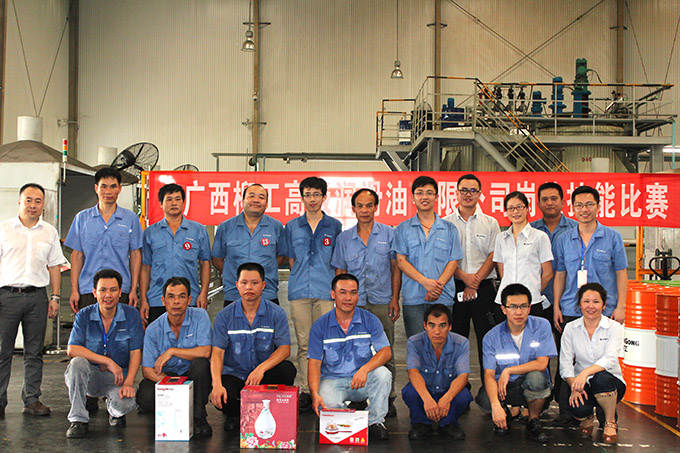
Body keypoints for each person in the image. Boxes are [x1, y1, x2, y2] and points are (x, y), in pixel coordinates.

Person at [332, 187, 402, 417]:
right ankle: (358, 396)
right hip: (353, 304)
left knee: (385, 349)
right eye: (360, 206)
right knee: (353, 350)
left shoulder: (389, 234)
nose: (364, 210)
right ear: (353, 209)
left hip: (382, 301)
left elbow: (395, 268)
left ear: (376, 207)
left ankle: (388, 397)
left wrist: (395, 298)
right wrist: (341, 303)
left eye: (369, 205)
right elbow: (340, 272)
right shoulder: (344, 238)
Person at [0, 183, 66, 418]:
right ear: (19, 202)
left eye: (38, 201)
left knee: (34, 351)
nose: (33, 205)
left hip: (37, 297)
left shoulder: (49, 232)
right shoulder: (4, 229)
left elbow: (55, 266)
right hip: (6, 296)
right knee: (2, 351)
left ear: (43, 205)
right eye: (28, 200)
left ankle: (32, 399)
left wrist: (55, 297)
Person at [210, 262, 296, 433]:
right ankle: (235, 415)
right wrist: (216, 384)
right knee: (225, 391)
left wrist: (260, 369)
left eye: (254, 283)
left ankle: (265, 410)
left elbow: (284, 349)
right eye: (244, 283)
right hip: (235, 375)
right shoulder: (224, 316)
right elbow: (217, 353)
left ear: (263, 285)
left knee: (287, 370)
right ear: (237, 285)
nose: (249, 287)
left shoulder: (276, 313)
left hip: (262, 376)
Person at [307, 273, 392, 441]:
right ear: (333, 294)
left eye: (353, 293)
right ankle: (342, 421)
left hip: (362, 379)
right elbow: (314, 364)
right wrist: (314, 394)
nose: (348, 298)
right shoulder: (320, 326)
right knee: (325, 397)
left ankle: (375, 422)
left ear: (358, 295)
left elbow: (386, 352)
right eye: (343, 292)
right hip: (333, 381)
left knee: (383, 375)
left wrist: (365, 369)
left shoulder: (370, 320)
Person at [283, 177, 342, 413]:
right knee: (304, 343)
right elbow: (291, 259)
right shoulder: (292, 226)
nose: (312, 199)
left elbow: (337, 260)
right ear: (302, 197)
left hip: (325, 291)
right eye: (307, 195)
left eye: (316, 194)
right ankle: (306, 390)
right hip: (299, 291)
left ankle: (324, 388)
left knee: (325, 342)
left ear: (324, 197)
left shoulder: (334, 226)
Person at [64, 269, 144, 438]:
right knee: (77, 363)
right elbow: (72, 349)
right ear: (94, 292)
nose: (108, 295)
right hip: (91, 376)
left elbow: (136, 352)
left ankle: (114, 410)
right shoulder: (84, 315)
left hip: (118, 378)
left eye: (113, 290)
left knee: (124, 405)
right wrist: (108, 361)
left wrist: (129, 383)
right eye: (103, 290)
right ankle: (78, 419)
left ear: (120, 292)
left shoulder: (132, 315)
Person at [443, 174, 499, 399]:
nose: (468, 194)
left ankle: (489, 391)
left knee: (487, 339)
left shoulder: (491, 223)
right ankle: (459, 391)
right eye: (464, 190)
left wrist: (474, 282)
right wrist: (465, 279)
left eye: (473, 190)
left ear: (480, 194)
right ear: (456, 193)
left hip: (484, 287)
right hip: (455, 285)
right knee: (457, 339)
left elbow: (494, 255)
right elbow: (445, 256)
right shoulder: (446, 223)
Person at [136, 277, 213, 438]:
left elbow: (206, 352)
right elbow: (147, 370)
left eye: (181, 296)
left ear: (189, 300)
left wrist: (172, 351)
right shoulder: (153, 329)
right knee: (145, 395)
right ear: (163, 300)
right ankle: (171, 411)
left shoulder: (200, 316)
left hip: (193, 376)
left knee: (201, 365)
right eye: (171, 297)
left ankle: (199, 417)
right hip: (167, 377)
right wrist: (175, 387)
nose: (176, 302)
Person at [480, 284, 556, 443]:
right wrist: (495, 405)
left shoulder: (542, 326)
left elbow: (542, 364)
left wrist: (508, 370)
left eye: (523, 306)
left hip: (529, 383)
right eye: (513, 307)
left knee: (537, 378)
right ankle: (506, 413)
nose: (519, 312)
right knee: (486, 399)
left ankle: (533, 420)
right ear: (503, 309)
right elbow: (488, 374)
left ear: (530, 308)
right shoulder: (491, 337)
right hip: (505, 387)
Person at [531, 182, 577, 425]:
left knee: (566, 353)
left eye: (554, 198)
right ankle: (541, 398)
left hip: (566, 302)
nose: (549, 203)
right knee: (539, 352)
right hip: (536, 301)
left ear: (562, 201)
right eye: (545, 199)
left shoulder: (575, 228)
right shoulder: (530, 229)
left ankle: (565, 400)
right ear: (538, 203)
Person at [393, 176, 463, 338]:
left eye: (429, 193)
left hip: (442, 297)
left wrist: (437, 287)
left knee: (441, 345)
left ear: (436, 197)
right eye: (420, 193)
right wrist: (425, 282)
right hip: (414, 299)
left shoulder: (449, 229)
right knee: (417, 345)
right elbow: (401, 261)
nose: (424, 197)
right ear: (413, 198)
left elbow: (454, 261)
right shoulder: (403, 229)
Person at [65, 167, 143, 312]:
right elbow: (77, 255)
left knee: (121, 326)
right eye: (104, 186)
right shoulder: (82, 218)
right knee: (88, 326)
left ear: (119, 189)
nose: (108, 191)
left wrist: (133, 289)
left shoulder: (130, 219)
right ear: (96, 188)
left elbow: (135, 255)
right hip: (89, 289)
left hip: (121, 290)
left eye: (113, 186)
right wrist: (74, 290)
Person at [553, 185, 627, 328]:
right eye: (579, 205)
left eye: (589, 204)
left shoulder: (613, 237)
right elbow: (560, 274)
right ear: (573, 208)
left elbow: (621, 273)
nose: (584, 210)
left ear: (598, 207)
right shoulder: (563, 239)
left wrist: (621, 306)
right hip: (571, 308)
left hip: (605, 310)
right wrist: (556, 306)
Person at [559, 283, 625, 444]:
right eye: (586, 301)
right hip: (581, 383)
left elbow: (610, 359)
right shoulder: (570, 328)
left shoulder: (614, 327)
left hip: (610, 382)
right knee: (577, 407)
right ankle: (587, 416)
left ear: (604, 305)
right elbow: (565, 364)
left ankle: (610, 421)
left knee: (601, 378)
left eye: (596, 302)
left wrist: (584, 373)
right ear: (579, 304)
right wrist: (574, 385)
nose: (591, 306)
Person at [140, 183, 211, 325]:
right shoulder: (150, 232)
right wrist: (143, 299)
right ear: (161, 203)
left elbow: (205, 263)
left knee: (190, 337)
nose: (174, 203)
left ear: (184, 202)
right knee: (159, 337)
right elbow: (145, 268)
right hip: (157, 299)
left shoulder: (198, 230)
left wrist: (203, 293)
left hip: (190, 298)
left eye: (178, 199)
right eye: (169, 199)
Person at [402, 304, 473, 440]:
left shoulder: (462, 343)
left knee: (464, 396)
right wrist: (427, 399)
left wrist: (447, 398)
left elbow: (463, 376)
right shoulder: (414, 342)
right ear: (425, 326)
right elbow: (413, 373)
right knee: (410, 392)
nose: (437, 331)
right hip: (426, 391)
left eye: (442, 325)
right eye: (432, 325)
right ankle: (421, 423)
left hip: (447, 390)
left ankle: (448, 423)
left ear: (450, 326)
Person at [212, 184, 285, 306]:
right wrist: (234, 275)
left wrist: (266, 271)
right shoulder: (226, 227)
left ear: (266, 204)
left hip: (267, 293)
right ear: (242, 201)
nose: (256, 200)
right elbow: (217, 259)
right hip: (234, 294)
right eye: (251, 196)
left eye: (261, 197)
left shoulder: (276, 227)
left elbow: (282, 257)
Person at [494, 191, 553, 317]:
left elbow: (548, 273)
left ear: (527, 209)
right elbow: (502, 271)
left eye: (519, 207)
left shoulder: (540, 237)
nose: (515, 212)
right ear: (506, 212)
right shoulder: (501, 238)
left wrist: (533, 290)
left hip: (531, 301)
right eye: (511, 208)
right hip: (506, 302)